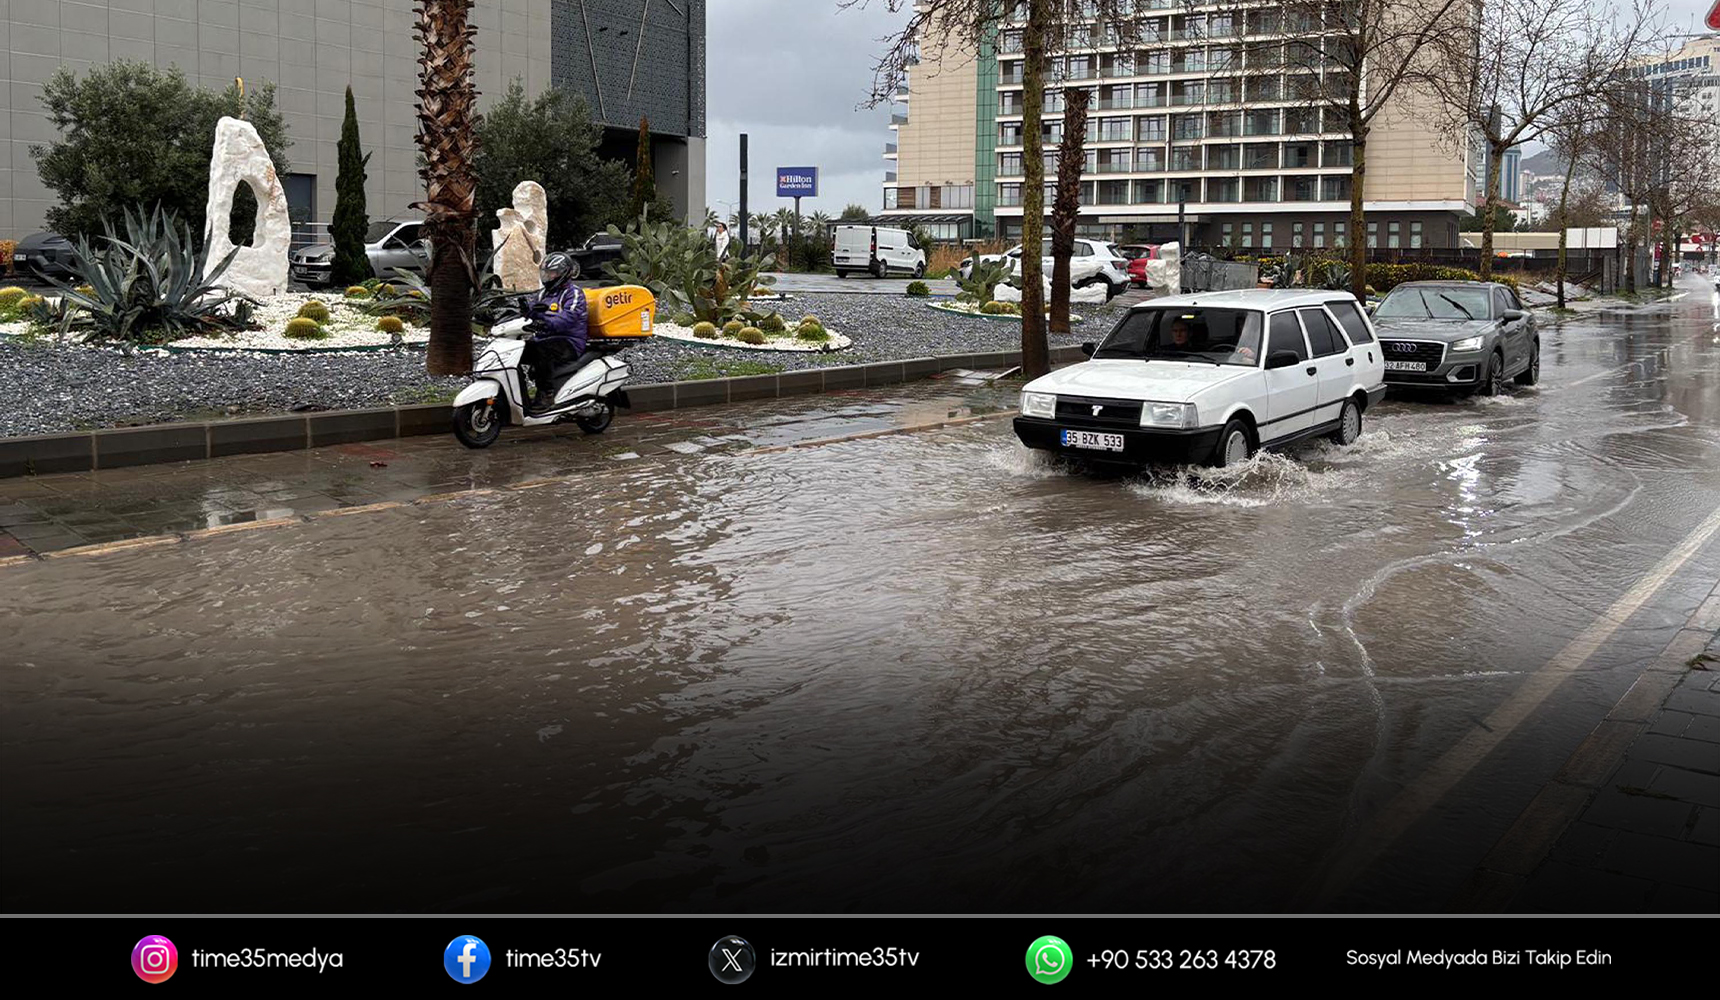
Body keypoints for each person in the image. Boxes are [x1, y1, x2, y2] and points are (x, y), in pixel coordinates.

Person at [522, 252, 589, 415]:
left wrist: (545, 322)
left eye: (552, 273)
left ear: (563, 273)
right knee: (517, 351)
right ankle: (520, 396)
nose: (548, 277)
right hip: (545, 338)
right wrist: (522, 311)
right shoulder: (543, 294)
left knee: (541, 351)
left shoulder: (574, 294)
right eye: (546, 273)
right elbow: (532, 310)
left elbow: (568, 318)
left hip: (569, 341)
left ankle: (547, 394)